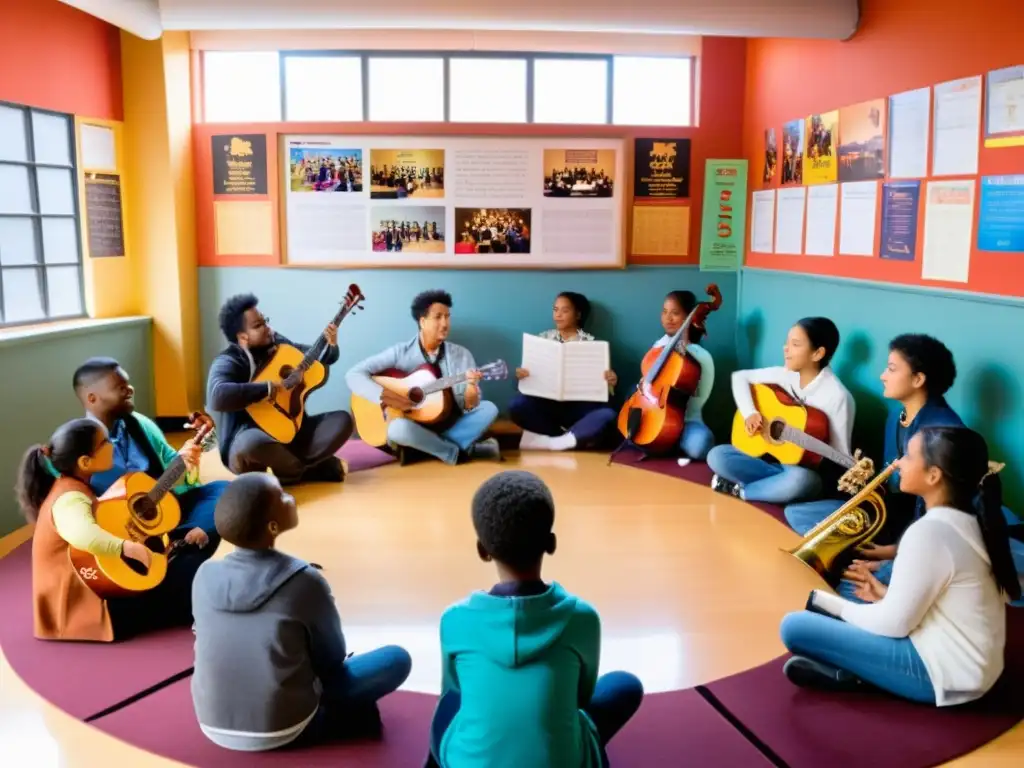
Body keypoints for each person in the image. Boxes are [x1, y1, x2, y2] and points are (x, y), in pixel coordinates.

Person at [779, 426, 1021, 707]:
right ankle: (853, 671)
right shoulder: (969, 522)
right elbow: (943, 603)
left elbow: (893, 625)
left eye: (908, 456)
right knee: (849, 605)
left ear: (934, 475)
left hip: (944, 676)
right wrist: (883, 595)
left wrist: (835, 607)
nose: (899, 463)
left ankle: (860, 677)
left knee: (795, 625)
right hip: (972, 670)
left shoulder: (930, 533)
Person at [428, 470, 644, 768]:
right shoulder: (582, 618)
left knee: (450, 702)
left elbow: (454, 690)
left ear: (482, 550)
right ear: (551, 543)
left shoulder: (454, 619)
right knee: (624, 686)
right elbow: (580, 699)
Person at [191, 472, 412, 751]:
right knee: (396, 659)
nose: (290, 498)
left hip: (211, 723)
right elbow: (332, 659)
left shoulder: (204, 574)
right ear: (272, 527)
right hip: (288, 726)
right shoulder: (304, 580)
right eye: (282, 496)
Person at [784, 335, 962, 597]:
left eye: (891, 369)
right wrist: (864, 479)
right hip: (895, 519)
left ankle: (871, 572)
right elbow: (891, 482)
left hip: (923, 533)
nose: (882, 376)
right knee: (798, 516)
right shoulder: (896, 415)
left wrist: (894, 550)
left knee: (846, 586)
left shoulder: (942, 432)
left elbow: (937, 513)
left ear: (918, 380)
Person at [18, 418, 205, 641]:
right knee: (189, 572)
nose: (112, 445)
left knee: (184, 559)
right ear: (85, 462)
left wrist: (180, 465)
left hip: (100, 585)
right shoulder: (69, 498)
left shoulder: (77, 485)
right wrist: (126, 547)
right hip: (85, 603)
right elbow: (82, 535)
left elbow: (136, 506)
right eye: (104, 443)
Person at [72, 357, 226, 553]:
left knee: (224, 491)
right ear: (92, 398)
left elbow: (175, 468)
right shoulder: (79, 443)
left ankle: (179, 542)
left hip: (163, 509)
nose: (130, 389)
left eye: (127, 383)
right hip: (123, 530)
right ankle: (179, 547)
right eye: (119, 387)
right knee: (203, 536)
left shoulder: (140, 424)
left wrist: (187, 461)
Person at [206, 293, 353, 485]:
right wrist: (268, 388)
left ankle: (291, 467)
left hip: (290, 428)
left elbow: (314, 357)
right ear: (243, 337)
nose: (267, 328)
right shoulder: (229, 360)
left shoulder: (277, 343)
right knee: (252, 444)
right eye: (258, 326)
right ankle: (302, 469)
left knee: (342, 421)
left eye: (265, 321)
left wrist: (331, 346)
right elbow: (217, 396)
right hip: (247, 438)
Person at [705, 317, 854, 504]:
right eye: (787, 342)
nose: (786, 348)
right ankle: (771, 487)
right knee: (717, 455)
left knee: (800, 481)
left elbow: (840, 455)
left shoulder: (837, 396)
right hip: (766, 461)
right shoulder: (785, 374)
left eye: (795, 344)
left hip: (801, 470)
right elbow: (740, 377)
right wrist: (750, 412)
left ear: (817, 354)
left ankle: (741, 490)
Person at [345, 290, 500, 465]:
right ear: (423, 321)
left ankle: (424, 450)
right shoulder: (400, 353)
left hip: (450, 424)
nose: (445, 323)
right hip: (414, 426)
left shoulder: (462, 355)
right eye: (438, 317)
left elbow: (470, 406)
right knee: (396, 429)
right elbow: (353, 374)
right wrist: (385, 398)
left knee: (489, 409)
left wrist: (471, 386)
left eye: (447, 317)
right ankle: (451, 452)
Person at [511, 292, 617, 451]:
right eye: (555, 310)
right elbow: (522, 383)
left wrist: (610, 381)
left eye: (565, 311)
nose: (558, 315)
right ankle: (566, 439)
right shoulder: (542, 340)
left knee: (607, 414)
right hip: (547, 406)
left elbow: (605, 391)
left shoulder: (592, 344)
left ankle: (551, 441)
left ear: (578, 314)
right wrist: (521, 376)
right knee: (517, 405)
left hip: (579, 408)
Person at [651, 290, 716, 462]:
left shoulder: (700, 356)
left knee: (701, 445)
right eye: (664, 312)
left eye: (675, 313)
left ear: (689, 317)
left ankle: (667, 441)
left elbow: (700, 397)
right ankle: (661, 440)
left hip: (687, 421)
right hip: (655, 415)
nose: (668, 318)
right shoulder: (658, 346)